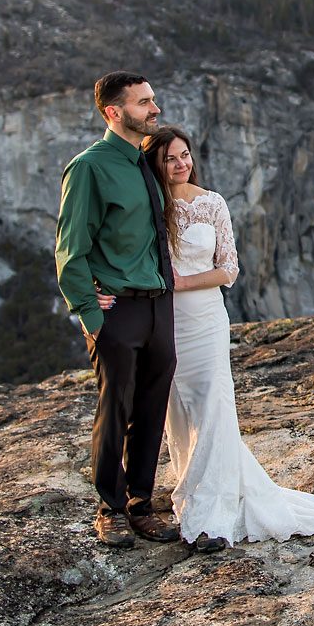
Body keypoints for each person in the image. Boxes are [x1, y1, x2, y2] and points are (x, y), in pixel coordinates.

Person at [120, 124, 314, 547]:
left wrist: (180, 282)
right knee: (178, 409)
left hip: (205, 317)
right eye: (170, 157)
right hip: (164, 320)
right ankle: (191, 486)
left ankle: (213, 510)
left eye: (185, 155)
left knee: (214, 404)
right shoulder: (149, 207)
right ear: (155, 161)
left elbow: (229, 269)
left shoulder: (212, 203)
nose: (180, 164)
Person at [55, 71, 182, 548]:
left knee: (151, 410)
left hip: (158, 306)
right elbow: (70, 247)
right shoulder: (89, 167)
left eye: (153, 100)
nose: (155, 109)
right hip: (118, 312)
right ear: (114, 112)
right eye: (145, 102)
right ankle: (108, 509)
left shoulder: (146, 161)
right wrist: (90, 312)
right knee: (116, 408)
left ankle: (140, 505)